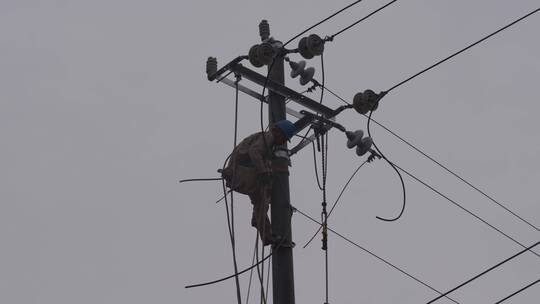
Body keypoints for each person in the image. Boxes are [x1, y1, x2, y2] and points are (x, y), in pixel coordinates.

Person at [221, 120, 296, 246]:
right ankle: (258, 218)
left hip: (242, 173)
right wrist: (263, 172)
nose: (283, 142)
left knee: (260, 198)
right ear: (279, 132)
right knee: (265, 186)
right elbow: (254, 152)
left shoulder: (267, 141)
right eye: (284, 138)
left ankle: (265, 233)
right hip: (239, 171)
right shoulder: (268, 137)